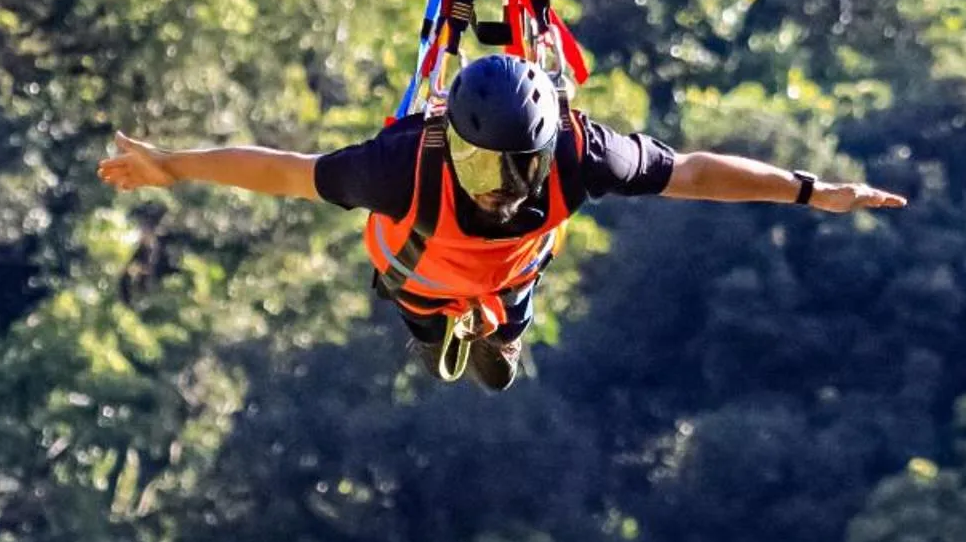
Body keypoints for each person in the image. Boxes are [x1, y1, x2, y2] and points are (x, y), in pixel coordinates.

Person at [96, 53, 907, 390]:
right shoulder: (402, 164)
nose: (502, 184)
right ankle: (441, 334)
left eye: (518, 165)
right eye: (484, 166)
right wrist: (173, 163)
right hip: (418, 268)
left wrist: (811, 190)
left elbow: (692, 172)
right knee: (423, 306)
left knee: (512, 304)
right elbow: (281, 170)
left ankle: (498, 337)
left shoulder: (584, 154)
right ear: (453, 143)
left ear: (547, 145)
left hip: (512, 270)